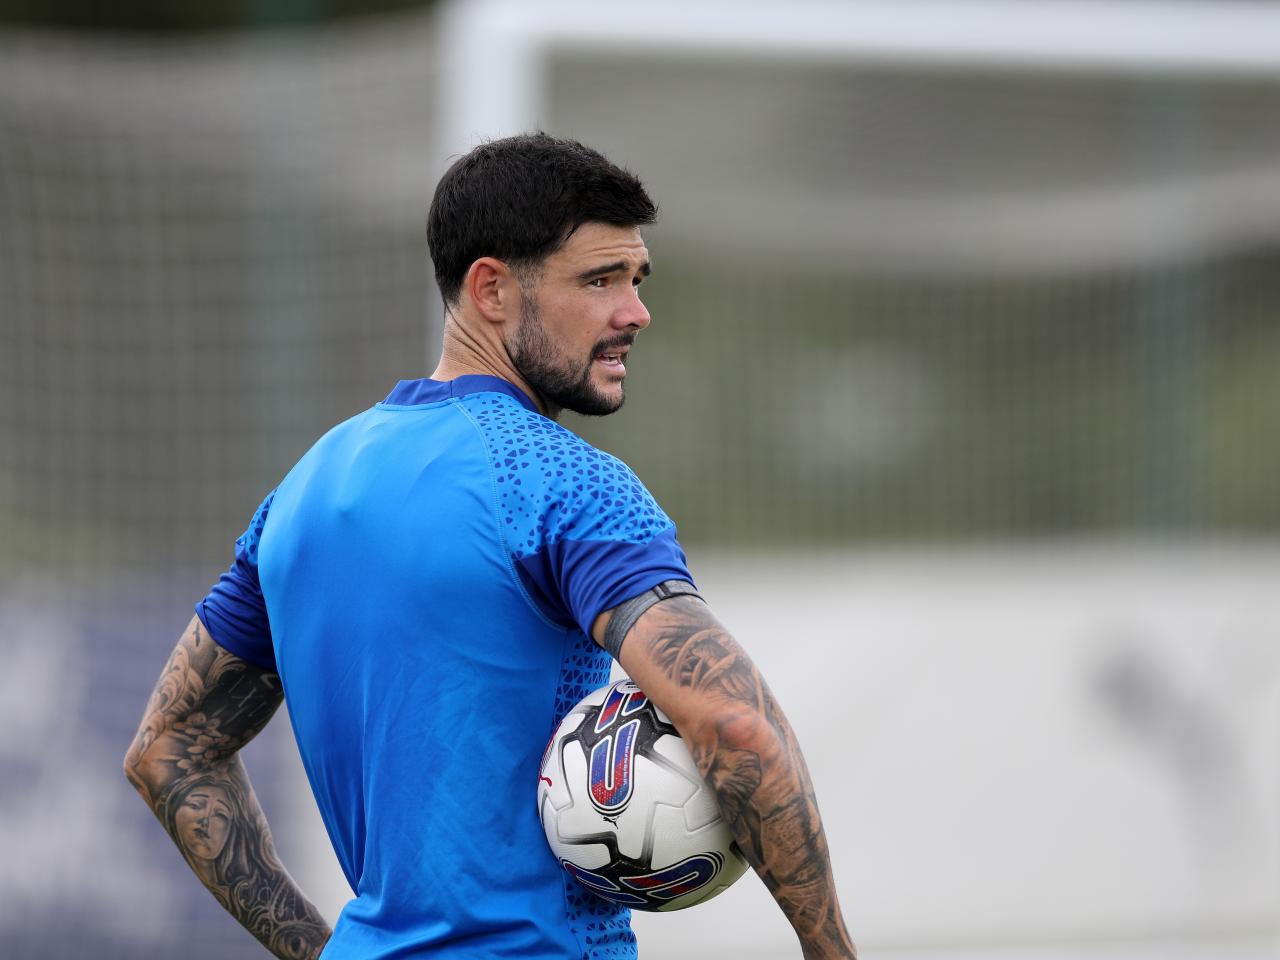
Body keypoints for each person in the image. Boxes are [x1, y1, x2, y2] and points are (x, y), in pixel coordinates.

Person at [125, 133, 857, 960]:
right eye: (599, 280)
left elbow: (166, 748)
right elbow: (737, 727)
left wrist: (320, 949)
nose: (636, 312)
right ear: (492, 289)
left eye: (636, 279)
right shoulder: (564, 484)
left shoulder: (303, 491)